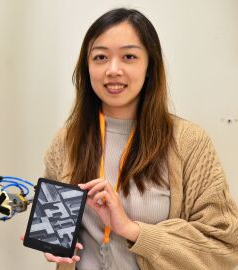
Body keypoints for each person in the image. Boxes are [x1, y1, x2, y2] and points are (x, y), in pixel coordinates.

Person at [40, 7, 238, 270]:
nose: (113, 69)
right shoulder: (66, 140)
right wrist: (52, 241)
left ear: (149, 67)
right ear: (86, 67)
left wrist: (133, 230)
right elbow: (56, 235)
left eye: (129, 56)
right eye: (100, 57)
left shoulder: (189, 142)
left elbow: (225, 248)